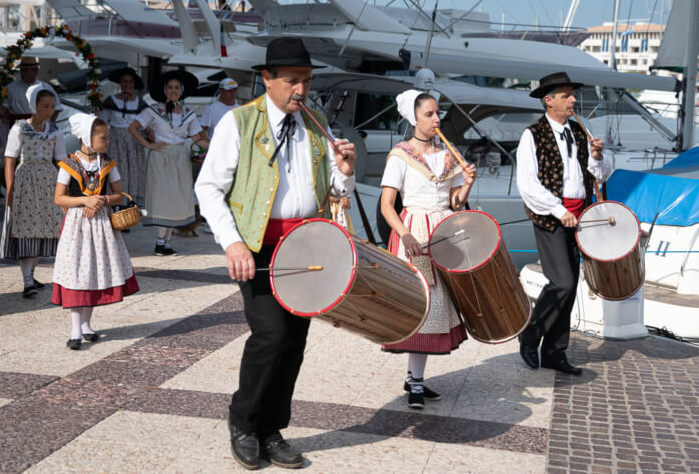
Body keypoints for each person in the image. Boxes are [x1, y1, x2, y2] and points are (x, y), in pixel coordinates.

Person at [195, 37, 356, 470]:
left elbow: (332, 194)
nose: (300, 90)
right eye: (291, 81)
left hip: (307, 247)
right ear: (267, 79)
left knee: (295, 342)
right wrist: (231, 243)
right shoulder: (239, 122)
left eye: (305, 81)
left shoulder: (316, 124)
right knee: (271, 335)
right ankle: (243, 422)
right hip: (259, 248)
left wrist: (345, 173)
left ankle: (272, 428)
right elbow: (208, 188)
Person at [379, 89, 476, 409]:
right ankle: (416, 383)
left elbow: (454, 203)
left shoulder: (448, 153)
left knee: (439, 305)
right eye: (429, 115)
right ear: (413, 118)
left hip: (444, 229)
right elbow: (387, 206)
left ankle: (413, 378)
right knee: (423, 304)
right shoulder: (400, 154)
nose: (437, 119)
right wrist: (404, 235)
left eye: (438, 113)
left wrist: (467, 185)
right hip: (416, 231)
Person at [515, 72, 612, 375]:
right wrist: (559, 210)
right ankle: (530, 333)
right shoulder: (532, 135)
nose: (573, 100)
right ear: (549, 100)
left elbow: (602, 174)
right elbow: (528, 185)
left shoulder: (580, 131)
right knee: (563, 282)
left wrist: (597, 157)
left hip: (579, 217)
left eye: (572, 95)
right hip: (550, 217)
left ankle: (555, 352)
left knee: (570, 289)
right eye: (566, 95)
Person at [53, 113, 139, 349]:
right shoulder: (69, 164)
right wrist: (84, 201)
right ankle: (74, 329)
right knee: (76, 271)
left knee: (92, 271)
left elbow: (120, 194)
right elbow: (59, 198)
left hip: (100, 225)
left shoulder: (107, 163)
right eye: (103, 137)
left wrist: (102, 199)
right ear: (87, 138)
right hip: (77, 225)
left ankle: (87, 324)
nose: (107, 141)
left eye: (107, 137)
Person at [128, 70, 209, 256]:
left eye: (177, 87)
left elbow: (197, 138)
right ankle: (160, 241)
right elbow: (133, 127)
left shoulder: (188, 113)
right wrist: (148, 144)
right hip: (161, 156)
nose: (173, 90)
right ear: (165, 90)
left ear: (182, 91)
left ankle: (166, 242)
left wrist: (213, 146)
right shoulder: (154, 110)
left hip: (180, 157)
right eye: (170, 87)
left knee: (176, 197)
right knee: (163, 197)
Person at [0, 83, 65, 297]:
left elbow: (62, 162)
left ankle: (31, 274)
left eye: (52, 106)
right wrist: (11, 189)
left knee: (42, 229)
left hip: (48, 182)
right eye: (45, 106)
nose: (49, 110)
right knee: (26, 228)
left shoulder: (55, 131)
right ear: (34, 106)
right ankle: (27, 280)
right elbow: (10, 160)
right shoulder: (19, 128)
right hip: (25, 180)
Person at [99, 67, 149, 203]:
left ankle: (132, 203)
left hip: (134, 141)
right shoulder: (111, 101)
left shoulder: (140, 103)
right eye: (125, 82)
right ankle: (117, 202)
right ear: (120, 83)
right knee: (117, 171)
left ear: (134, 85)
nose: (127, 85)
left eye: (130, 82)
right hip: (115, 140)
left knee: (134, 171)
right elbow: (102, 121)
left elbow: (146, 124)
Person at [2, 57, 62, 128]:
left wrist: (50, 125)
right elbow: (4, 107)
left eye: (26, 71)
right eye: (22, 70)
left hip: (40, 125)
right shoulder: (10, 87)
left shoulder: (45, 87)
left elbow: (57, 107)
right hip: (18, 124)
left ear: (35, 72)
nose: (23, 73)